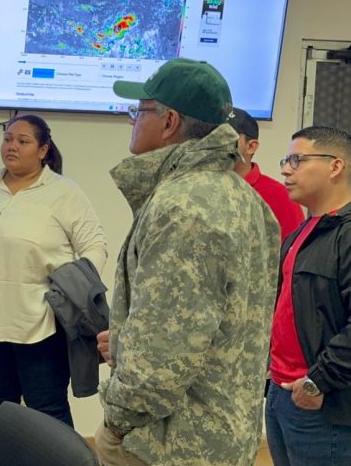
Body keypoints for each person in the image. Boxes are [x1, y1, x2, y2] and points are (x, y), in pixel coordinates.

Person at [95, 58, 280, 465]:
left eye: (138, 110)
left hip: (168, 444)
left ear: (169, 122)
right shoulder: (244, 198)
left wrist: (116, 418)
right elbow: (215, 323)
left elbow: (162, 357)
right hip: (219, 434)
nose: (131, 121)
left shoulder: (184, 206)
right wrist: (128, 339)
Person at [0, 114, 107, 430]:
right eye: (8, 139)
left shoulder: (64, 192)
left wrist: (71, 292)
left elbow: (95, 246)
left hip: (39, 323)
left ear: (43, 150)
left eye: (23, 141)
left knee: (46, 407)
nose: (12, 146)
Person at [266, 126, 351, 465]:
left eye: (298, 160)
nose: (286, 170)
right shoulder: (306, 230)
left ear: (335, 166)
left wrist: (318, 381)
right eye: (286, 160)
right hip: (282, 395)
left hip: (323, 405)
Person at [228, 107, 304, 240]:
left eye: (227, 137)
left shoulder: (280, 197)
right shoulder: (197, 186)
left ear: (251, 146)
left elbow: (294, 254)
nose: (216, 145)